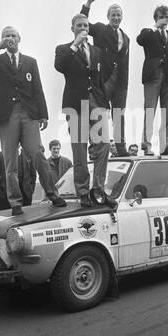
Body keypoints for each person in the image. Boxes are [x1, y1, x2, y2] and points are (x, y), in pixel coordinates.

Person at [0, 26, 66, 216]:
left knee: (38, 154)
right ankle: (15, 202)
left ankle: (52, 193)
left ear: (19, 39)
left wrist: (43, 114)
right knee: (10, 160)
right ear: (2, 39)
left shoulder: (30, 62)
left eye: (13, 35)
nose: (10, 38)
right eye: (7, 36)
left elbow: (38, 88)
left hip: (28, 113)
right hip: (6, 115)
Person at [54, 13, 117, 208]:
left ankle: (98, 189)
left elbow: (98, 80)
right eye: (79, 25)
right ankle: (82, 192)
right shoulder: (64, 49)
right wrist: (74, 46)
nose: (83, 28)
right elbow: (60, 66)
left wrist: (105, 104)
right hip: (76, 104)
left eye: (86, 25)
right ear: (72, 28)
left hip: (96, 102)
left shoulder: (96, 50)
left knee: (103, 145)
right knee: (79, 150)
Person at [80, 0, 130, 157]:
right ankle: (94, 149)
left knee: (119, 115)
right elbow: (83, 23)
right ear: (108, 16)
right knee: (98, 113)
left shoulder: (126, 37)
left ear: (121, 17)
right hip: (103, 78)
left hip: (120, 82)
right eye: (113, 15)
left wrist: (125, 83)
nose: (116, 18)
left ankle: (121, 148)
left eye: (118, 15)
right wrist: (88, 3)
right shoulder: (101, 29)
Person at [137, 4, 168, 157]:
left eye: (167, 17)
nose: (165, 20)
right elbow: (140, 40)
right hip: (153, 76)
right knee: (150, 110)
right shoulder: (148, 32)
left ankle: (165, 145)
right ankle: (147, 145)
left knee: (167, 114)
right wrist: (155, 26)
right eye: (161, 17)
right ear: (156, 18)